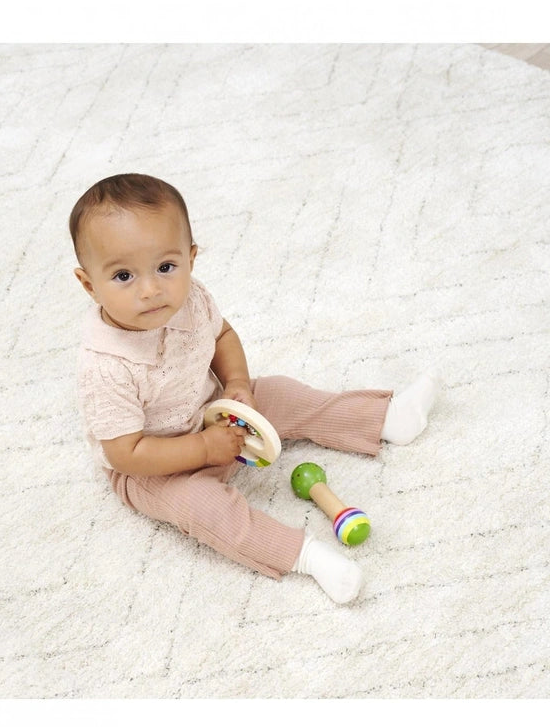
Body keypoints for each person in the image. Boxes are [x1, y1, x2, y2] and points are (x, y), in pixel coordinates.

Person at [71, 174, 438, 604]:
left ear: (190, 258)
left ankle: (385, 419)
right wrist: (206, 451)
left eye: (166, 267)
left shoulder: (190, 300)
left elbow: (222, 336)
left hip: (214, 411)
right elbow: (124, 452)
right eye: (123, 276)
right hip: (152, 464)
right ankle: (305, 555)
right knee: (203, 510)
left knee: (281, 392)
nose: (151, 289)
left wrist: (239, 385)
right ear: (89, 284)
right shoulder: (106, 366)